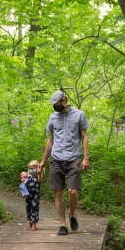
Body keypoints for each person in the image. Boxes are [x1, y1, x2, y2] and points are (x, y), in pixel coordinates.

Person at [38, 90, 89, 235]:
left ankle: (72, 214)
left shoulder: (79, 115)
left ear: (64, 100)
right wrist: (43, 161)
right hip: (56, 159)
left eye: (57, 103)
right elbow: (50, 139)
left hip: (73, 158)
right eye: (53, 104)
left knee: (73, 191)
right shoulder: (53, 117)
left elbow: (84, 136)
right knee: (58, 193)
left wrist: (86, 158)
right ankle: (62, 225)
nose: (55, 107)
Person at [19, 160, 41, 231]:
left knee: (34, 209)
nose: (31, 170)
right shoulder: (28, 177)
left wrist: (39, 172)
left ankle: (34, 224)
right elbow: (23, 183)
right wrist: (23, 179)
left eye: (32, 169)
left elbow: (39, 180)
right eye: (30, 169)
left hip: (35, 197)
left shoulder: (38, 177)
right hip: (28, 196)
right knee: (28, 208)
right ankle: (30, 221)